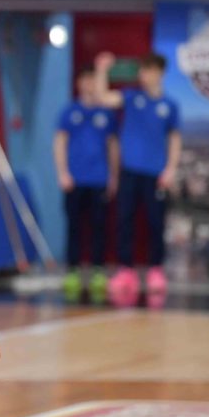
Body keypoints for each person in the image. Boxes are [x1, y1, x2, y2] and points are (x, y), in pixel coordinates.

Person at [94, 52, 182, 308]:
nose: (143, 75)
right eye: (142, 70)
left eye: (148, 70)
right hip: (129, 171)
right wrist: (102, 70)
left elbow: (174, 139)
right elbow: (103, 97)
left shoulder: (169, 105)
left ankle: (156, 270)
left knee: (156, 222)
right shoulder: (132, 97)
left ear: (159, 73)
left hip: (155, 174)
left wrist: (170, 169)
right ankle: (125, 270)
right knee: (124, 220)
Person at [53, 66, 119, 304]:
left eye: (92, 80)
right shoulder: (70, 112)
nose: (89, 85)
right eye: (85, 80)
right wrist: (63, 173)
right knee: (74, 227)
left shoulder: (106, 114)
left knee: (99, 227)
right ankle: (72, 271)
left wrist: (113, 176)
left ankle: (98, 271)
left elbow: (113, 146)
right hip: (75, 180)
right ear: (79, 83)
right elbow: (60, 143)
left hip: (99, 179)